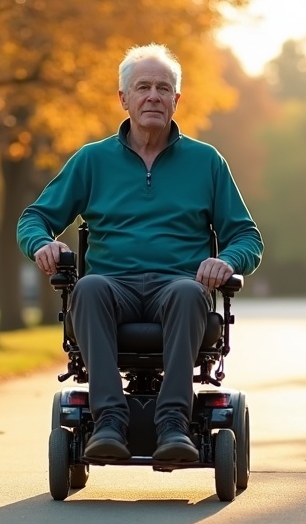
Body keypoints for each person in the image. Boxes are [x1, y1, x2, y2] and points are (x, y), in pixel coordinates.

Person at [17, 43, 263, 463]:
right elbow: (34, 217)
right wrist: (42, 243)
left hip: (178, 288)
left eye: (163, 88)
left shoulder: (207, 162)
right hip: (114, 288)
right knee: (88, 287)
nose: (153, 96)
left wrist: (227, 261)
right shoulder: (92, 161)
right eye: (143, 87)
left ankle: (173, 425)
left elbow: (247, 238)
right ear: (124, 98)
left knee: (188, 293)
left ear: (176, 99)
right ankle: (109, 422)